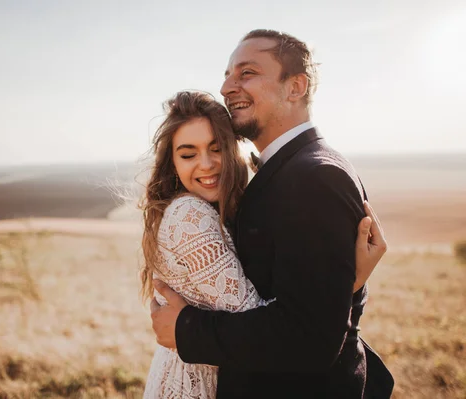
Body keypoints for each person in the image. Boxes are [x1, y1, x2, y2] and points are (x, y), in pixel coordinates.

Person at [149, 30, 395, 399]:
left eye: (246, 73)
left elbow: (309, 338)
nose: (227, 87)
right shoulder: (280, 170)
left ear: (295, 86)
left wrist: (187, 330)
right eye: (228, 74)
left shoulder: (315, 177)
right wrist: (348, 288)